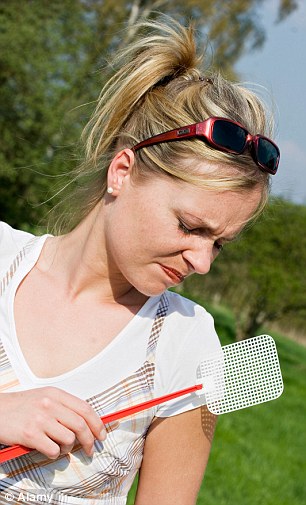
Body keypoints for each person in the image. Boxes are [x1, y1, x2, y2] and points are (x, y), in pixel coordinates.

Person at [0, 16, 279, 505]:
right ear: (123, 171)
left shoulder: (188, 345)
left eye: (219, 243)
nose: (202, 261)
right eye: (191, 226)